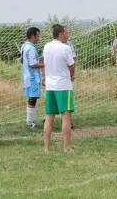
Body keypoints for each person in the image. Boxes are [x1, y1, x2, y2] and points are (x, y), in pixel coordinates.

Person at [42, 24, 76, 154]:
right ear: (61, 33)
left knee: (49, 117)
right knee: (66, 117)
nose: (67, 35)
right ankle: (67, 147)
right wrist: (72, 75)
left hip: (50, 86)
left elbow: (45, 64)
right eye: (66, 33)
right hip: (63, 85)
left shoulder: (46, 47)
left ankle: (47, 148)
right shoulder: (65, 48)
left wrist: (45, 78)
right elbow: (72, 65)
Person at [21, 27, 43, 128]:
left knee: (32, 98)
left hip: (26, 76)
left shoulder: (24, 46)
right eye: (38, 35)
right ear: (33, 36)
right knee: (32, 99)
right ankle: (29, 123)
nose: (39, 38)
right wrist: (46, 64)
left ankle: (29, 121)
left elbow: (25, 59)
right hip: (32, 77)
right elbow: (33, 64)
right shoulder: (31, 48)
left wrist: (41, 58)